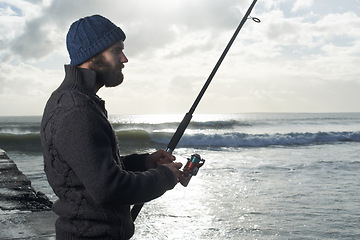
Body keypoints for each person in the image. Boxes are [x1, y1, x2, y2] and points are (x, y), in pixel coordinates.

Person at [40, 14, 182, 240]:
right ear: (92, 55)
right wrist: (164, 177)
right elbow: (109, 187)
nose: (124, 58)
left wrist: (143, 163)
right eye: (117, 50)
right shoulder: (77, 109)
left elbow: (89, 173)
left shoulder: (76, 100)